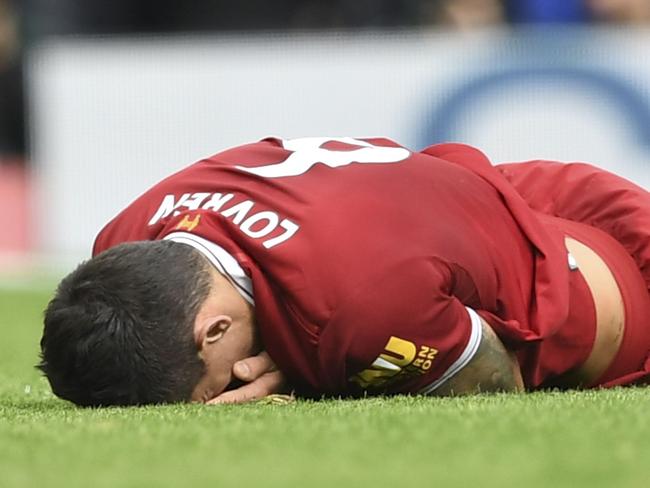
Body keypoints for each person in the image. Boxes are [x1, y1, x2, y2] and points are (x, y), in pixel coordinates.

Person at [37, 137, 650, 406]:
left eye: (218, 389)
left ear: (214, 332)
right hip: (487, 195)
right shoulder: (125, 237)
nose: (238, 386)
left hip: (607, 277)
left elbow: (498, 385)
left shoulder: (354, 312)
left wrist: (305, 375)